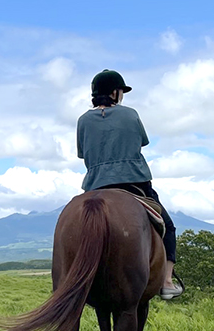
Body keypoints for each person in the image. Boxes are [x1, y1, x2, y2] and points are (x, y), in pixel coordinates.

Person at [76, 69, 183, 299]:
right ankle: (166, 282)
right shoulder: (130, 115)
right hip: (134, 182)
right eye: (121, 91)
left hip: (96, 186)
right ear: (115, 93)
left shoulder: (83, 120)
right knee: (169, 227)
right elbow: (141, 142)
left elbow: (83, 154)